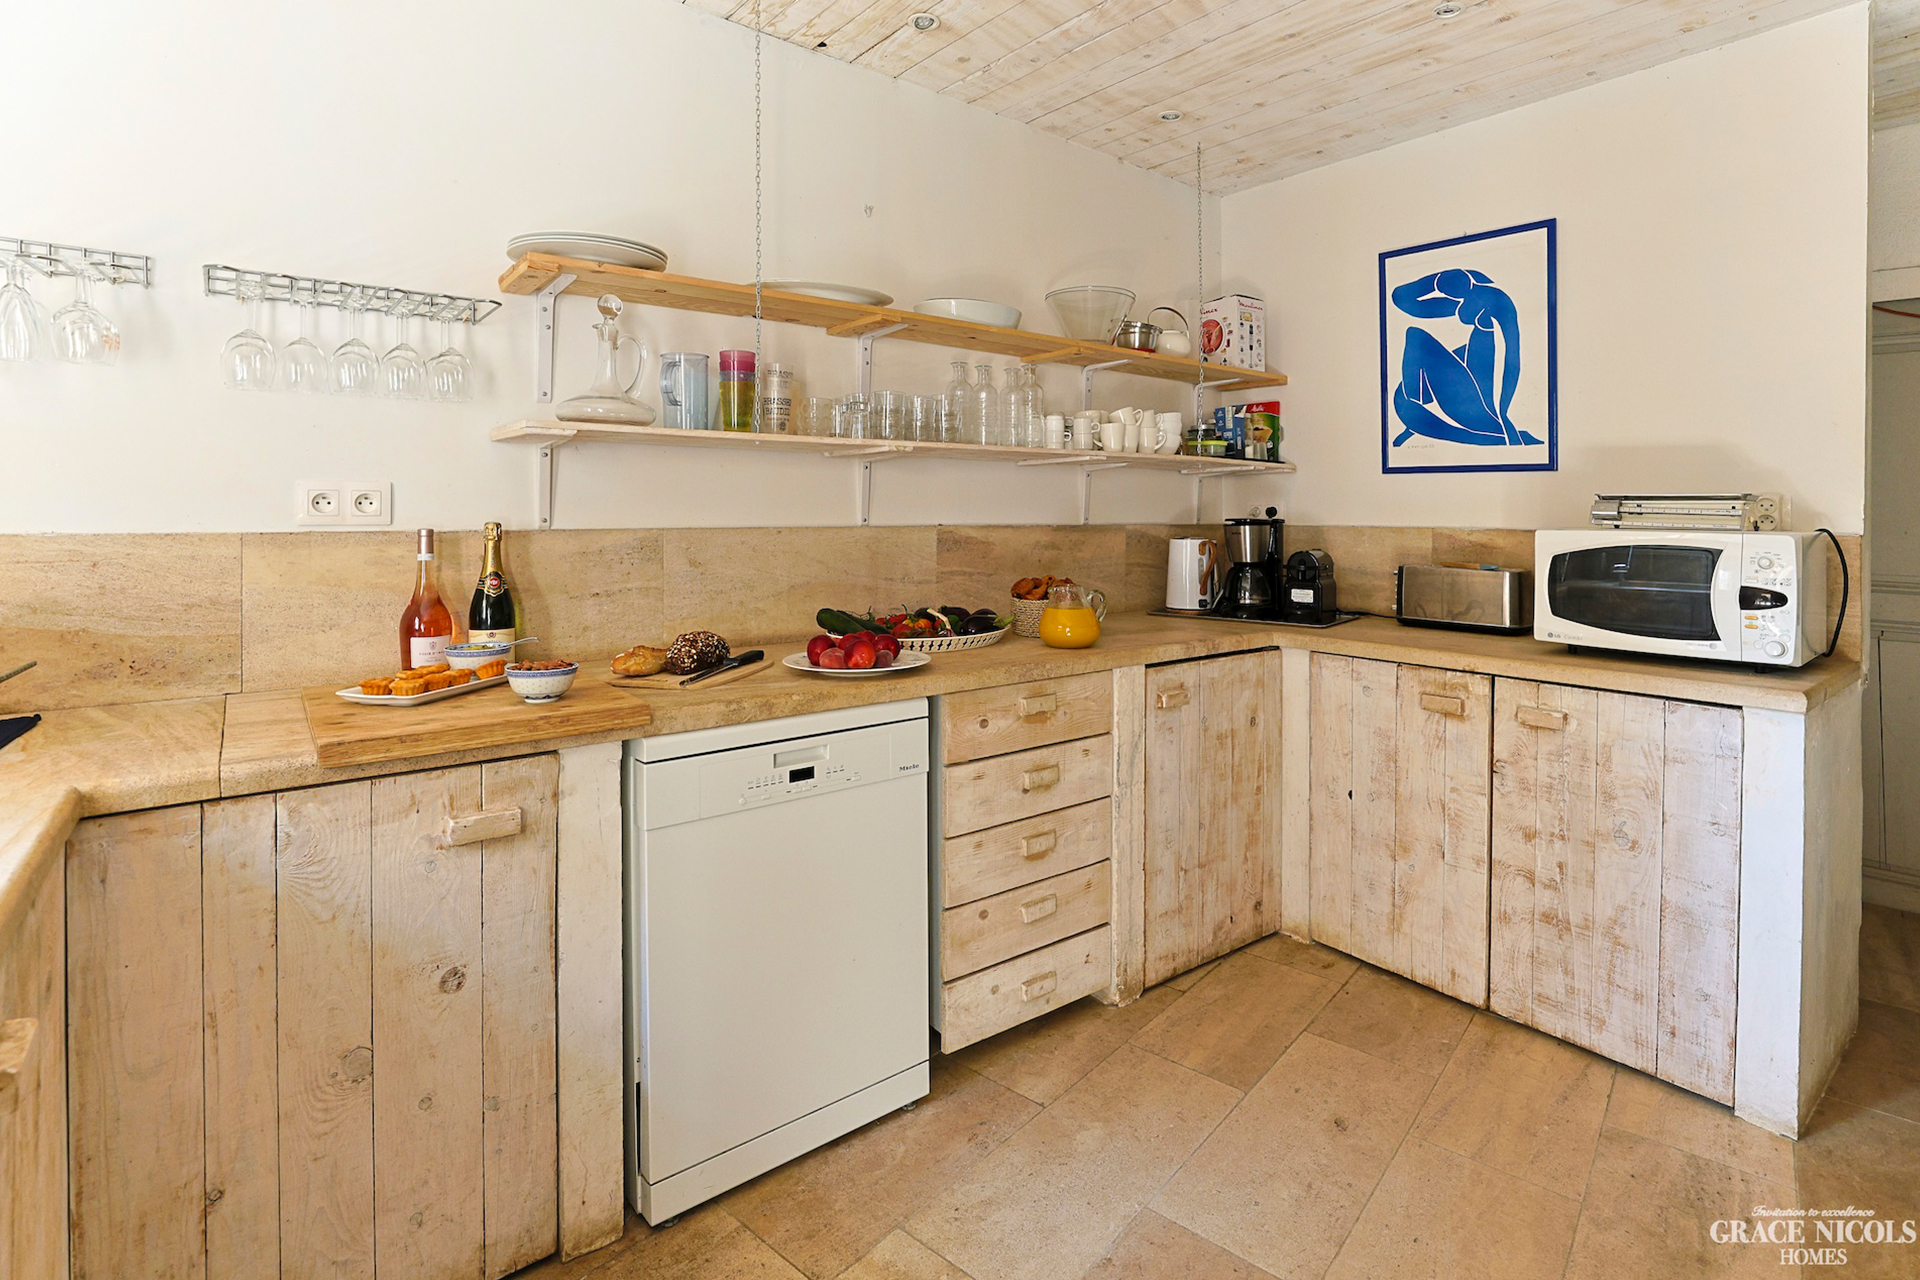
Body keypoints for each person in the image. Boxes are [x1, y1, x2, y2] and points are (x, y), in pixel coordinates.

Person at [1390, 268, 1539, 447]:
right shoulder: (1480, 300)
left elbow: (1511, 362)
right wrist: (1438, 281)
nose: (1458, 308)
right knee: (1449, 356)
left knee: (1415, 336)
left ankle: (1417, 409)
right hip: (1476, 405)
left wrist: (1503, 416)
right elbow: (1403, 299)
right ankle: (1417, 415)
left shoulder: (1485, 303)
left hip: (1477, 410)